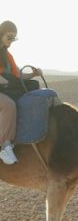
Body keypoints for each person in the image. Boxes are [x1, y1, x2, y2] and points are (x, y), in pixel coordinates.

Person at [0, 21, 42, 165]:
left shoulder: (7, 55)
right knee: (9, 105)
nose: (11, 41)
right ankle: (5, 146)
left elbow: (17, 74)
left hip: (5, 89)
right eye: (9, 37)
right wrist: (8, 81)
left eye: (13, 38)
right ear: (1, 33)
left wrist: (33, 74)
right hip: (3, 91)